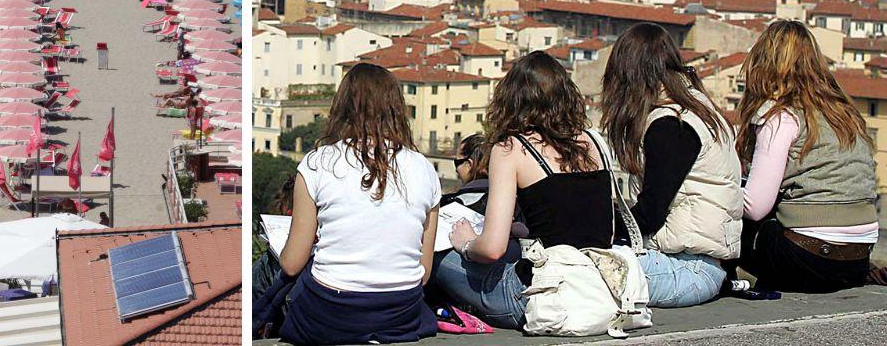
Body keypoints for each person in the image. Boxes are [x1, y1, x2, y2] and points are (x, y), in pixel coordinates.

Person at [257, 63, 440, 344]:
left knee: (270, 265)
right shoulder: (425, 169)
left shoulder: (318, 162)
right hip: (400, 314)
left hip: (331, 315)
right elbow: (424, 272)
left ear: (342, 107)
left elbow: (292, 264)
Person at [431, 51, 612, 331]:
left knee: (434, 251)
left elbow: (491, 249)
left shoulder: (511, 149)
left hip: (541, 298)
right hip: (600, 291)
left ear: (511, 99)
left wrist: (465, 243)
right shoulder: (594, 143)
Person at [599, 23, 742, 308]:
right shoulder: (695, 106)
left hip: (690, 268)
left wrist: (594, 229)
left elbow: (651, 213)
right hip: (701, 263)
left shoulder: (671, 126)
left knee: (577, 272)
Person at [735, 20, 879, 292]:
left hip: (809, 257)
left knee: (733, 222)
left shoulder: (781, 117)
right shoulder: (845, 113)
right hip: (859, 257)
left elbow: (755, 207)